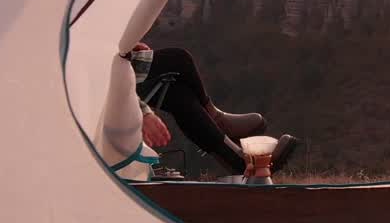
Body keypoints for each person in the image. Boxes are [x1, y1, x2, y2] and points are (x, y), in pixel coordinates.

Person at [125, 43, 299, 176]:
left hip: (118, 63)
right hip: (113, 76)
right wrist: (144, 112)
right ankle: (217, 121)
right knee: (179, 59)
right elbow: (110, 80)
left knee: (179, 94)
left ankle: (236, 159)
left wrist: (128, 46)